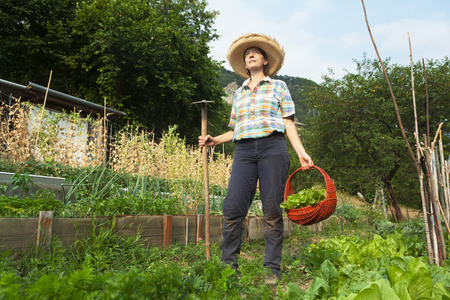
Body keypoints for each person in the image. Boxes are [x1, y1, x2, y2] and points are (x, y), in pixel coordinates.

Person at [199, 33, 314, 282]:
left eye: (255, 52)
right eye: (246, 53)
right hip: (244, 151)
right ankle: (229, 266)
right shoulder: (239, 94)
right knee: (232, 208)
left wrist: (301, 152)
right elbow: (235, 129)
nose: (250, 54)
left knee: (272, 209)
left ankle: (272, 268)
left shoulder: (278, 86)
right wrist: (214, 140)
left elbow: (288, 122)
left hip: (273, 147)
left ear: (264, 61)